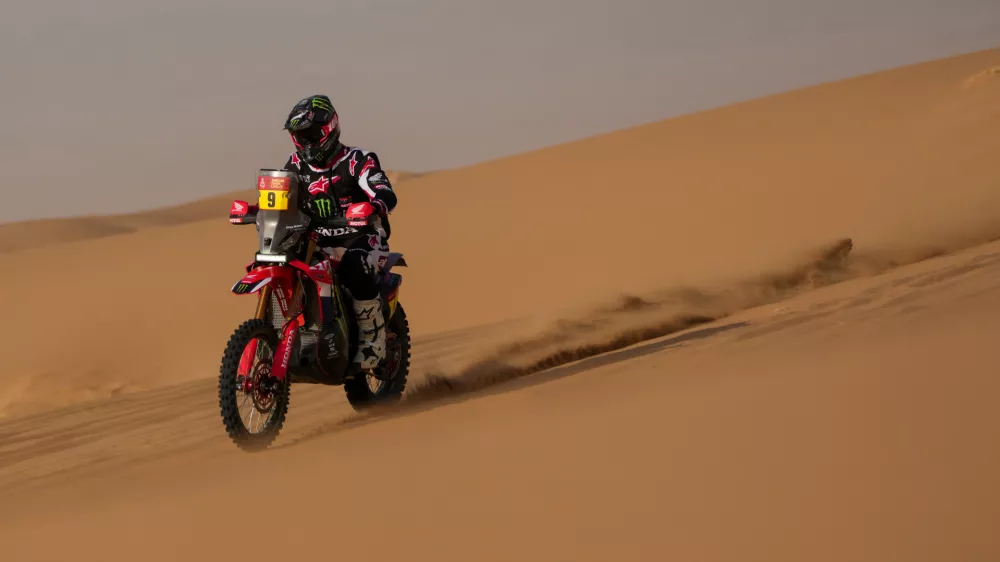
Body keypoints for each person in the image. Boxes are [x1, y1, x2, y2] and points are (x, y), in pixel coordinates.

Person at [281, 94, 398, 370]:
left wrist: (374, 205)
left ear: (329, 128)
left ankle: (373, 339)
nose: (307, 143)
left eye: (311, 135)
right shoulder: (295, 167)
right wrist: (256, 210)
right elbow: (280, 201)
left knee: (354, 266)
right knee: (285, 262)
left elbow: (384, 191)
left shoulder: (356, 159)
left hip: (361, 238)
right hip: (317, 242)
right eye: (301, 136)